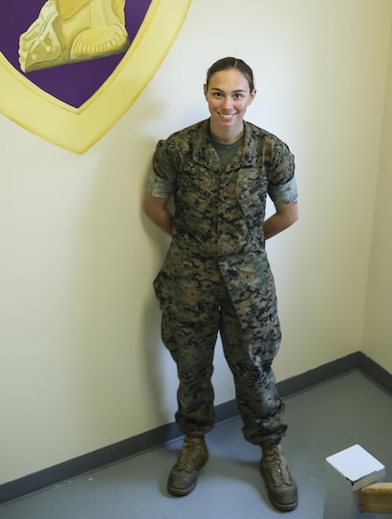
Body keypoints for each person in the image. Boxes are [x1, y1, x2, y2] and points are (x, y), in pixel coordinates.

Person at [143, 57, 299, 512]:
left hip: (248, 283)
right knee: (191, 365)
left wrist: (245, 244)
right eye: (218, 93)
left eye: (236, 94)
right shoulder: (176, 148)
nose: (226, 104)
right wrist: (195, 242)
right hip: (188, 278)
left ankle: (271, 450)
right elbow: (154, 207)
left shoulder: (272, 151)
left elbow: (289, 214)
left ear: (251, 97)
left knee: (254, 367)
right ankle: (194, 443)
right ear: (206, 93)